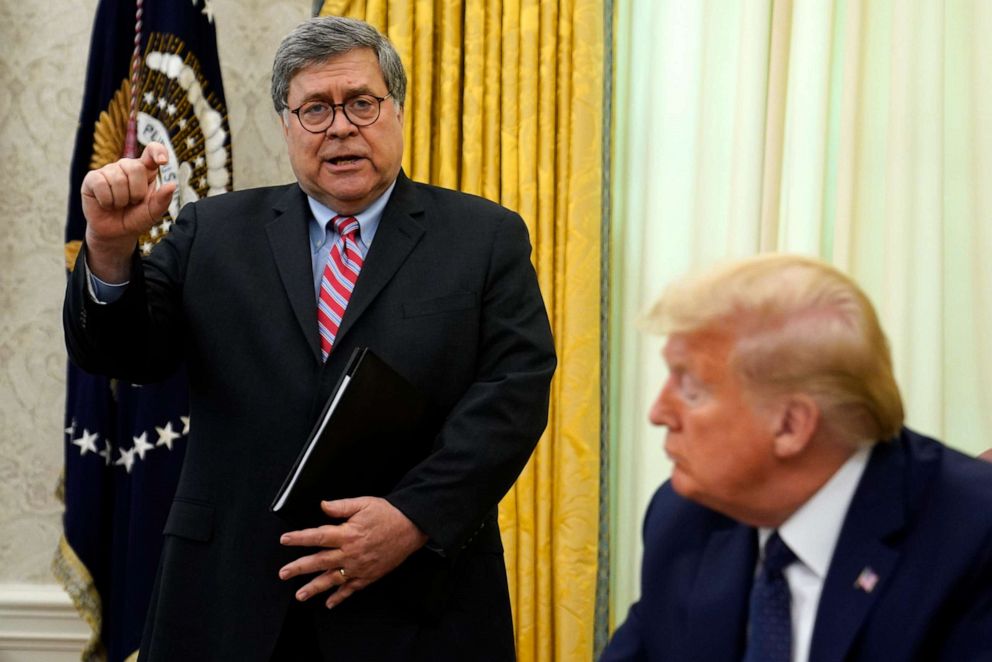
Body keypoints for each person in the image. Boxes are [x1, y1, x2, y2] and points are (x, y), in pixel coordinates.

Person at [64, 16, 555, 661]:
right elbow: (124, 355)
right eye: (315, 109)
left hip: (417, 602)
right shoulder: (212, 232)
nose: (342, 127)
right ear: (287, 125)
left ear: (398, 111)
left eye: (361, 103)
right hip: (227, 599)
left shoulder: (484, 238)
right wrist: (107, 247)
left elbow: (512, 397)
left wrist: (411, 519)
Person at [601, 254, 992, 662]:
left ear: (791, 425)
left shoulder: (973, 539)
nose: (658, 412)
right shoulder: (684, 520)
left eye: (691, 390)